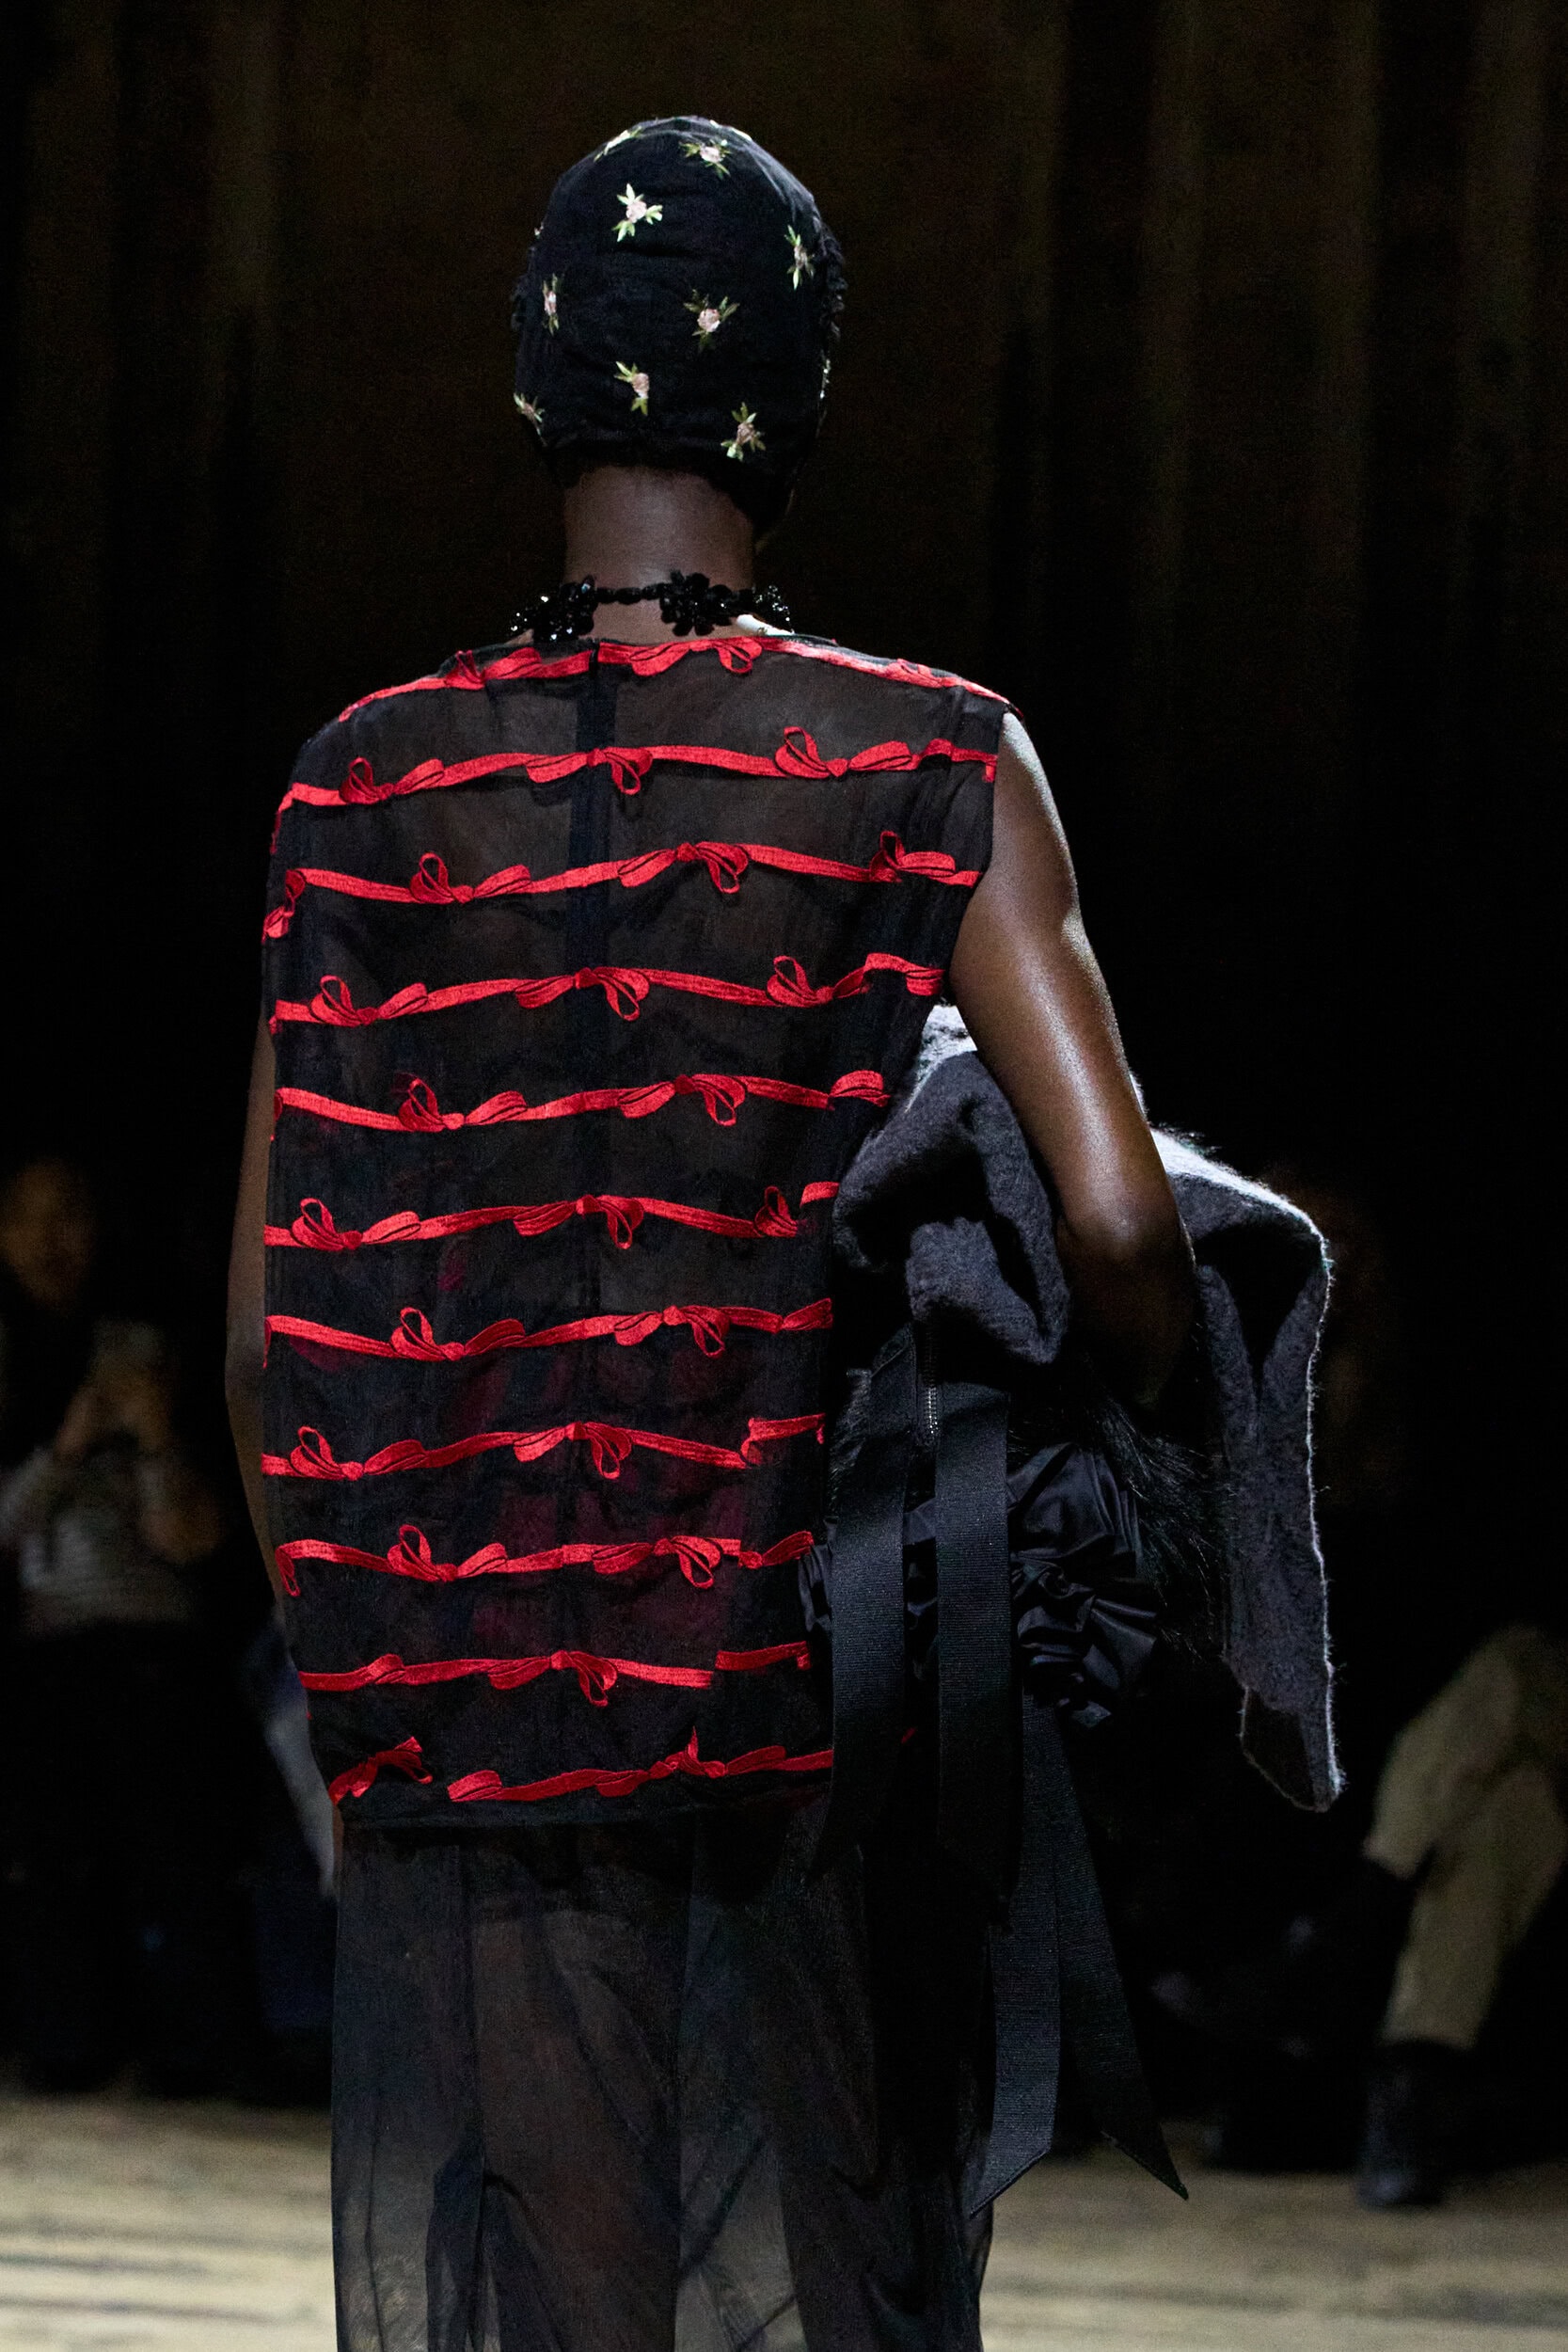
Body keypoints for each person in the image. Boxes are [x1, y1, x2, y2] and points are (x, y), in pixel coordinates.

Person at [227, 118, 1194, 2350]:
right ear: (796, 394)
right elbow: (1119, 1215)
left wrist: (364, 1702)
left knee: (569, 2288)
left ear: (541, 379)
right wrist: (1105, 1455)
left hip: (477, 1685)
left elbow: (274, 1333)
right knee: (851, 2282)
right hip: (812, 1677)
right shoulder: (923, 757)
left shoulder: (362, 788)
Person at [0, 1154, 243, 2090]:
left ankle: (192, 2050)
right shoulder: (12, 1356)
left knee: (175, 1849)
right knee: (52, 1855)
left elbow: (195, 1539)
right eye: (27, 1217)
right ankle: (66, 2046)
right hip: (46, 1638)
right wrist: (67, 1446)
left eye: (68, 1214)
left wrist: (154, 1434)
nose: (49, 1239)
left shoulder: (148, 1345)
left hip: (155, 1637)